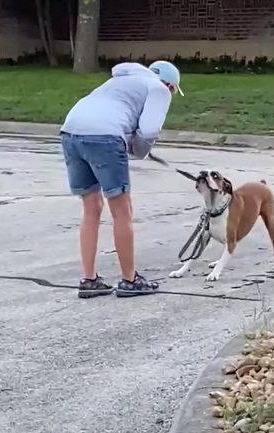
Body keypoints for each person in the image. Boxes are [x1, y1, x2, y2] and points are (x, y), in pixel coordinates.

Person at [59, 60, 183, 299]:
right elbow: (148, 131)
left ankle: (89, 279)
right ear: (169, 85)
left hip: (71, 133)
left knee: (91, 207)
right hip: (104, 137)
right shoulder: (158, 89)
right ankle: (129, 279)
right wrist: (140, 150)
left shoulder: (119, 80)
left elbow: (114, 114)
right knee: (121, 211)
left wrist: (128, 143)